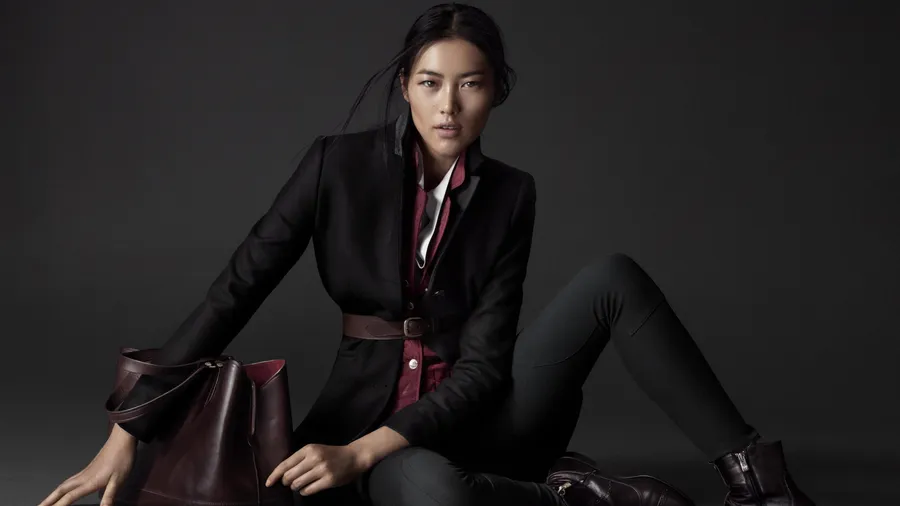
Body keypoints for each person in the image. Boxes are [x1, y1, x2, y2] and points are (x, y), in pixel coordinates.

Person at [39, 3, 816, 506]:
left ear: (495, 92)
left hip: (489, 411)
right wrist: (128, 431)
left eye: (470, 85)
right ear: (405, 87)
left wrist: (362, 456)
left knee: (613, 278)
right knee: (438, 496)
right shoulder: (335, 166)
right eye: (431, 83)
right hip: (374, 428)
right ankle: (567, 492)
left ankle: (758, 480)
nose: (449, 106)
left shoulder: (511, 194)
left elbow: (485, 366)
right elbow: (235, 289)